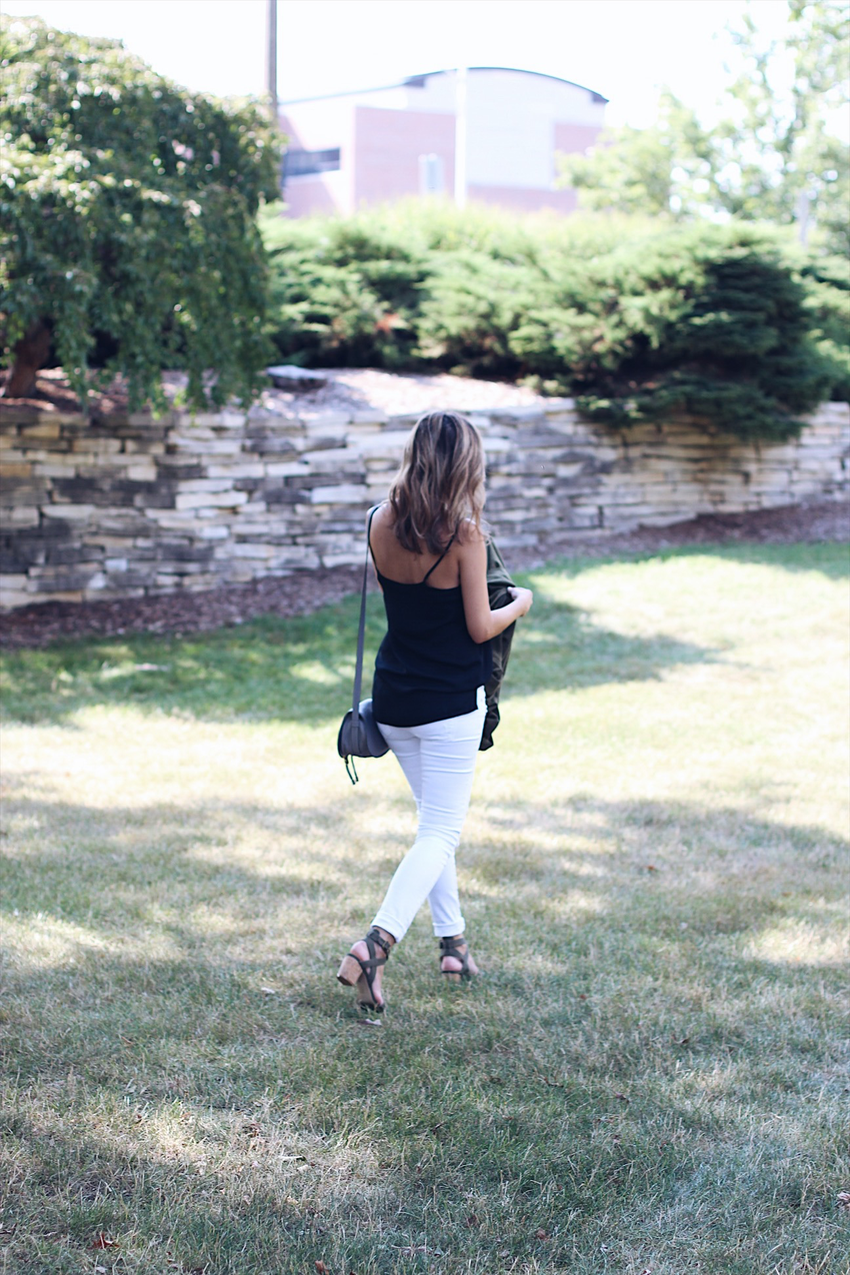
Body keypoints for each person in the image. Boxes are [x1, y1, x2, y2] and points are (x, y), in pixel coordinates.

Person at [336, 411, 533, 1014]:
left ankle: (454, 946)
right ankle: (375, 946)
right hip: (449, 702)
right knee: (442, 831)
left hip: (395, 698)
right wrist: (520, 603)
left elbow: (406, 604)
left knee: (433, 827)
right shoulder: (464, 536)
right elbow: (479, 626)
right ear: (466, 466)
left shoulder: (378, 520)